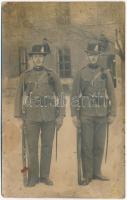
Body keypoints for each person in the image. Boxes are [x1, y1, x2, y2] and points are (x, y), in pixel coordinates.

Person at [15, 43, 65, 187]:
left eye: (40, 57)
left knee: (47, 147)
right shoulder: (25, 75)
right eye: (35, 57)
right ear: (31, 58)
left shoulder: (52, 75)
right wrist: (18, 117)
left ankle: (44, 176)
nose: (38, 59)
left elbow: (61, 95)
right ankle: (33, 177)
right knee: (32, 148)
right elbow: (18, 96)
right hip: (31, 117)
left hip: (49, 117)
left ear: (44, 58)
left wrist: (61, 115)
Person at [71, 41, 116, 185]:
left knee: (99, 145)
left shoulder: (105, 73)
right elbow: (74, 96)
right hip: (86, 115)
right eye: (90, 55)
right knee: (87, 146)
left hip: (102, 115)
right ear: (87, 56)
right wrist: (74, 115)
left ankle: (97, 172)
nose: (93, 58)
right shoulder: (81, 73)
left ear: (99, 56)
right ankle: (87, 175)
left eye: (95, 55)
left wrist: (112, 113)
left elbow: (112, 94)